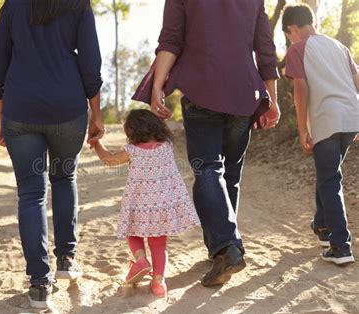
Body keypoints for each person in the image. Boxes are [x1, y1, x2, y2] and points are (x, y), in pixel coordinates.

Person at [133, 0, 280, 286]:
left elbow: (171, 39)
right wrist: (271, 98)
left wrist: (157, 86)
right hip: (243, 91)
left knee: (208, 169)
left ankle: (226, 247)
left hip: (202, 87)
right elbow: (265, 47)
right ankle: (223, 245)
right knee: (230, 175)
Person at [0, 0, 104, 308]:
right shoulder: (78, 5)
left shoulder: (12, 7)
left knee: (30, 194)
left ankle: (39, 284)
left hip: (20, 110)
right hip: (67, 108)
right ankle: (66, 259)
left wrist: (1, 119)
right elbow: (90, 63)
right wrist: (96, 113)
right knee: (64, 178)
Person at [92, 109, 200, 297]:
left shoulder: (131, 151)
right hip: (162, 207)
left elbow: (108, 160)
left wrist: (96, 143)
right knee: (159, 245)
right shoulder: (166, 145)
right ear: (156, 127)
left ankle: (141, 260)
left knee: (132, 233)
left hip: (139, 205)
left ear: (131, 132)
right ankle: (158, 283)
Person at [283, 4, 359, 265]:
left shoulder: (297, 49)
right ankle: (322, 226)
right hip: (351, 117)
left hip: (326, 118)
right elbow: (358, 81)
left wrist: (303, 128)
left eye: (288, 34)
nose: (290, 38)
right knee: (328, 172)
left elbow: (301, 90)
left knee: (329, 179)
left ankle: (341, 247)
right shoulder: (339, 47)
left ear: (292, 28)